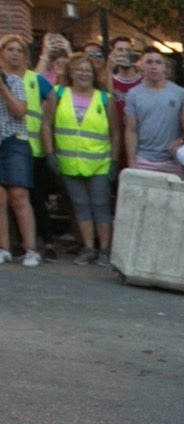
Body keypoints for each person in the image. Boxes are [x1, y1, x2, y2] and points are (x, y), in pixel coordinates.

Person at [43, 53, 120, 265]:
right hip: (69, 163)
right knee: (80, 206)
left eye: (88, 70)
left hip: (99, 163)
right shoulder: (58, 94)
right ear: (70, 72)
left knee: (100, 205)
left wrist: (113, 161)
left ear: (95, 74)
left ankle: (104, 249)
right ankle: (88, 247)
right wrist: (50, 154)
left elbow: (115, 133)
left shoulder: (105, 98)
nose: (83, 74)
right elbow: (46, 125)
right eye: (79, 69)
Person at [0, 35, 43, 266]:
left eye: (19, 50)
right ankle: (4, 248)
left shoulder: (16, 81)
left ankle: (31, 250)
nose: (14, 54)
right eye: (10, 50)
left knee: (19, 196)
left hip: (15, 141)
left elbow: (19, 111)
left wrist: (3, 89)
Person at [121, 50, 184, 177]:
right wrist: (132, 161)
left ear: (164, 67)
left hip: (173, 160)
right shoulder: (133, 94)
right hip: (143, 160)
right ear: (141, 67)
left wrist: (181, 140)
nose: (154, 66)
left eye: (158, 62)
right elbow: (131, 130)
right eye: (149, 62)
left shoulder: (180, 93)